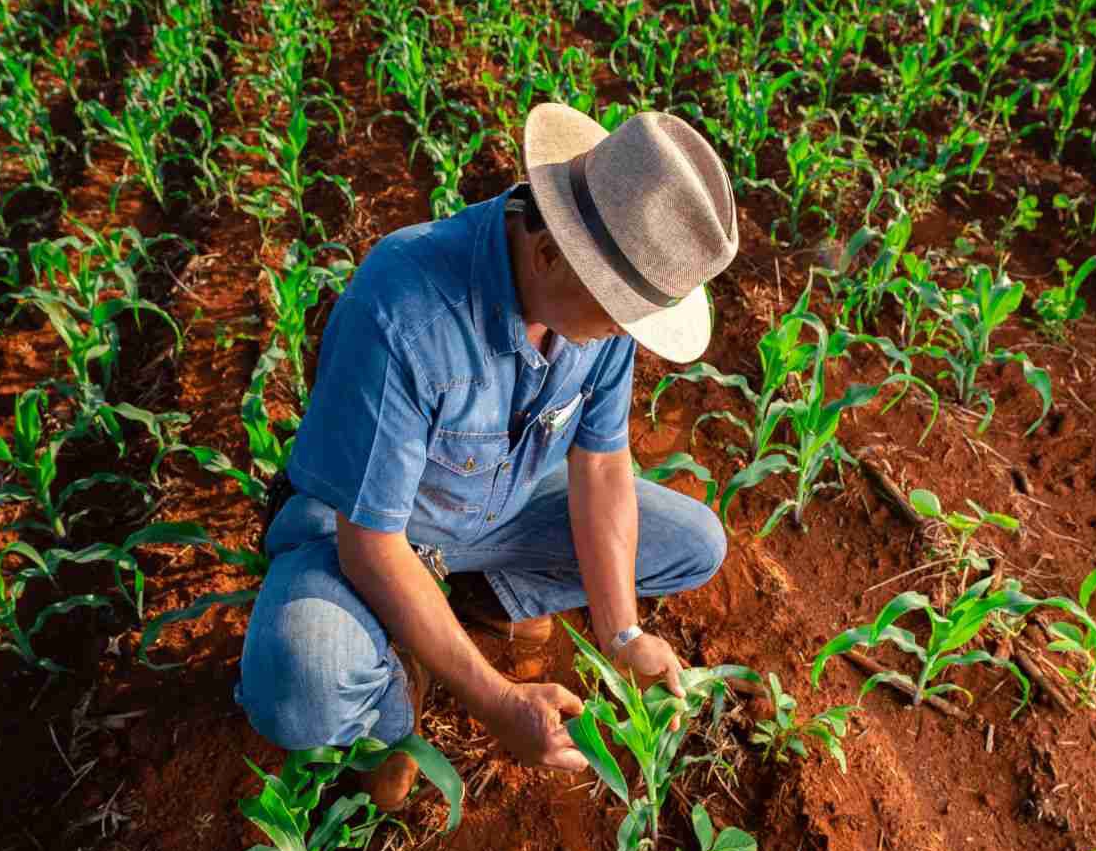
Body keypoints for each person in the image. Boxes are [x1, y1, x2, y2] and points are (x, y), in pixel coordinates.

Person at [234, 101, 739, 811]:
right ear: (548, 253)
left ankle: (473, 600)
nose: (622, 335)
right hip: (368, 525)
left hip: (500, 505)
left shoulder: (601, 299)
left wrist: (623, 633)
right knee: (301, 681)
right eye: (618, 316)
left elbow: (600, 464)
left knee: (693, 545)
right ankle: (396, 688)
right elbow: (370, 544)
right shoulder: (404, 307)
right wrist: (498, 701)